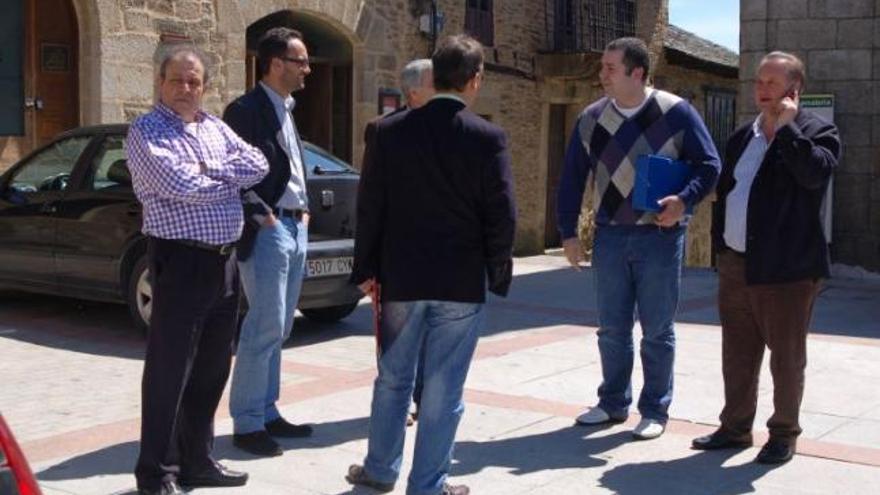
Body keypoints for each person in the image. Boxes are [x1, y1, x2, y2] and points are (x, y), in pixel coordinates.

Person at [346, 34, 516, 495]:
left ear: (434, 76)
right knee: (443, 392)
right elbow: (502, 214)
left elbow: (370, 207)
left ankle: (380, 470)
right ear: (474, 80)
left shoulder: (386, 132)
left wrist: (365, 269)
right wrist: (496, 270)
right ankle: (428, 484)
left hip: (401, 278)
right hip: (460, 282)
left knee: (392, 381)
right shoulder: (488, 137)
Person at [557, 37, 720, 440]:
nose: (602, 75)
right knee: (611, 329)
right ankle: (613, 402)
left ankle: (655, 410)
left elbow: (710, 165)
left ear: (637, 73)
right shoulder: (591, 118)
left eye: (610, 68)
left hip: (661, 238)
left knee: (657, 330)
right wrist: (568, 233)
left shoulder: (677, 112)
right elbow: (571, 179)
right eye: (602, 67)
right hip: (610, 235)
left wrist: (684, 201)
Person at [128, 45, 268, 495]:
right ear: (160, 82)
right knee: (170, 371)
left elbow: (260, 165)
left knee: (211, 369)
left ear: (204, 85)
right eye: (177, 80)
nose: (186, 88)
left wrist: (211, 170)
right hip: (181, 260)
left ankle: (197, 462)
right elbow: (178, 184)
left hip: (224, 261)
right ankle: (157, 474)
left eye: (194, 81)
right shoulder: (146, 131)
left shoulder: (215, 127)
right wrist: (225, 179)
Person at [692, 51, 840, 464]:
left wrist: (788, 129)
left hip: (787, 269)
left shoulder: (818, 131)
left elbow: (814, 175)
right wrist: (721, 246)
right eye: (758, 82)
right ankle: (735, 428)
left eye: (771, 83)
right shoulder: (743, 136)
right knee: (737, 352)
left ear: (794, 90)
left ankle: (783, 434)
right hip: (737, 264)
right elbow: (728, 190)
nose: (761, 90)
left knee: (786, 357)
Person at [223, 27, 314, 457]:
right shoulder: (244, 110)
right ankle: (247, 423)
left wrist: (304, 211)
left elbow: (291, 166)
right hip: (270, 230)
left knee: (281, 326)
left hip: (297, 227)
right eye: (301, 62)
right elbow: (233, 173)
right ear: (277, 64)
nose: (307, 70)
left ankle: (267, 410)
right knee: (263, 326)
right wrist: (265, 217)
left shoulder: (287, 107)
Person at [362, 58, 436, 427]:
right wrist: (366, 264)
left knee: (430, 337)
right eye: (434, 83)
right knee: (394, 336)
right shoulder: (382, 130)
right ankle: (397, 401)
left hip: (437, 253)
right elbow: (370, 201)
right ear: (413, 91)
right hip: (397, 253)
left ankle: (425, 399)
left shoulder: (448, 129)